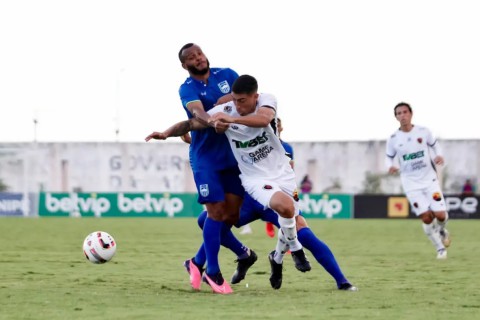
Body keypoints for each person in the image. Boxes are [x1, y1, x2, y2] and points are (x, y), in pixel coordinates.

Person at [146, 74, 311, 290]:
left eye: (242, 101)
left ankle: (280, 255)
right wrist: (167, 133)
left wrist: (232, 120)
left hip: (281, 173)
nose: (237, 105)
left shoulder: (267, 100)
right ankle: (215, 268)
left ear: (255, 97)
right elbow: (191, 123)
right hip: (254, 178)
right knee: (281, 207)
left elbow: (263, 119)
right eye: (234, 100)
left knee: (289, 214)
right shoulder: (225, 111)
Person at [166, 43, 255, 294]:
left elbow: (245, 100)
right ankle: (213, 273)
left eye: (200, 54)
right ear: (185, 65)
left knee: (230, 216)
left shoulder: (227, 74)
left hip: (234, 156)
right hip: (205, 158)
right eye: (192, 58)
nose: (198, 59)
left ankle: (195, 262)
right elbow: (197, 112)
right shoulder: (187, 88)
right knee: (215, 212)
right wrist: (212, 120)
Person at [196, 193, 358, 291]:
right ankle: (244, 255)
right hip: (245, 199)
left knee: (304, 234)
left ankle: (342, 281)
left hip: (272, 200)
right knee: (207, 220)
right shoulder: (238, 138)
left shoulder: (283, 149)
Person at [386, 102, 451, 259]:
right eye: (399, 113)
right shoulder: (394, 139)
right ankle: (440, 248)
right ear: (396, 117)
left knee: (440, 214)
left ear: (411, 113)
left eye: (404, 112)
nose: (402, 115)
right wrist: (390, 166)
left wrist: (439, 155)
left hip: (430, 180)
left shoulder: (423, 131)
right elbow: (388, 157)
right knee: (426, 217)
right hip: (411, 183)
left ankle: (442, 229)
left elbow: (436, 146)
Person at [265, 117, 293, 238]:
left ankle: (288, 241)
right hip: (270, 181)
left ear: (281, 128)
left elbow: (291, 166)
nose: (276, 128)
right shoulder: (264, 146)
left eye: (278, 125)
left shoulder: (287, 147)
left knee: (291, 210)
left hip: (286, 181)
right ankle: (270, 223)